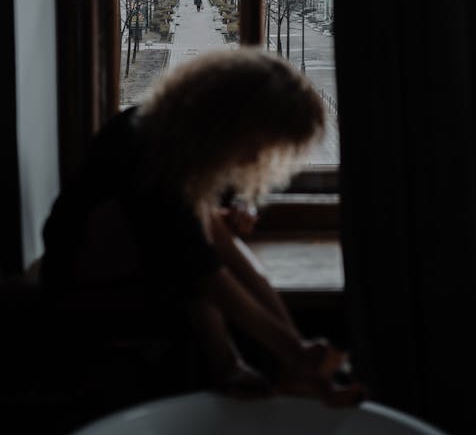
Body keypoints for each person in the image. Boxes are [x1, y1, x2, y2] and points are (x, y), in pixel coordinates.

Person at [40, 48, 363, 407]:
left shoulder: (174, 140)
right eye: (258, 143)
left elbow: (195, 249)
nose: (257, 159)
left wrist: (293, 345)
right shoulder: (147, 148)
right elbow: (199, 272)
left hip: (147, 266)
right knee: (197, 228)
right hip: (85, 280)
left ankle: (283, 365)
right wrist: (291, 351)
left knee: (204, 221)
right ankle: (253, 364)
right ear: (228, 120)